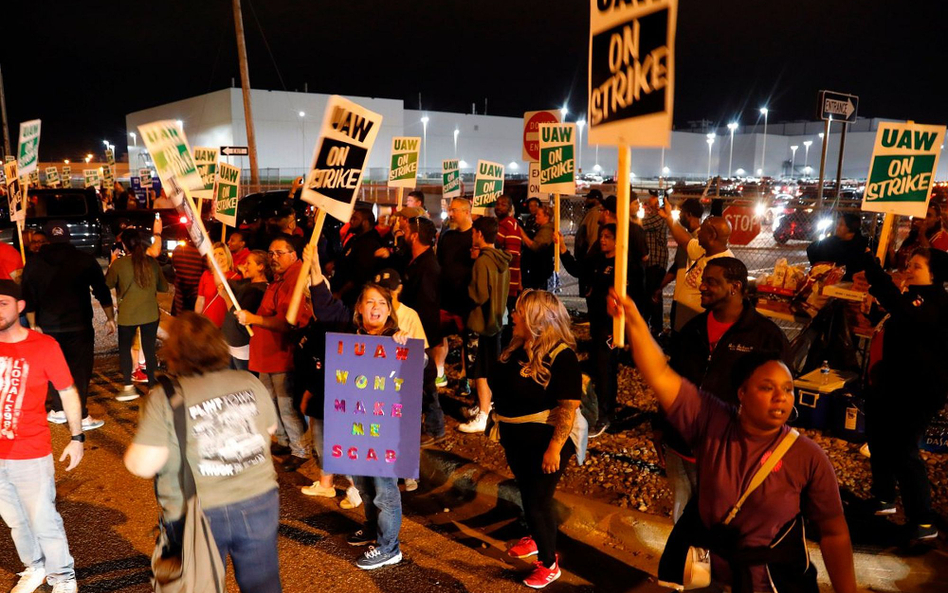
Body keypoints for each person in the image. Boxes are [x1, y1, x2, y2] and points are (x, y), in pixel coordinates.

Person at [608, 288, 857, 593]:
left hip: (772, 583)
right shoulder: (712, 421)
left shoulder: (808, 457)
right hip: (710, 576)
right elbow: (660, 373)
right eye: (767, 388)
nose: (781, 397)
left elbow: (834, 532)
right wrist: (633, 320)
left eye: (788, 388)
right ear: (742, 393)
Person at [124, 312, 282, 592]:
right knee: (263, 586)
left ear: (175, 352)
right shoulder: (248, 381)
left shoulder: (165, 397)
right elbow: (269, 430)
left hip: (197, 513)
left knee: (198, 585)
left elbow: (142, 466)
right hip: (259, 499)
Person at [661, 257, 790, 522]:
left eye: (711, 281)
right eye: (703, 280)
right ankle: (685, 562)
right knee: (682, 519)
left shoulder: (766, 337)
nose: (702, 287)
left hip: (728, 453)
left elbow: (781, 397)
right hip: (680, 444)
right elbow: (672, 378)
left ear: (734, 287)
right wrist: (661, 423)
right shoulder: (691, 330)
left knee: (722, 521)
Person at [308, 271, 410, 570]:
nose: (375, 307)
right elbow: (324, 306)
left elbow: (422, 365)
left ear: (389, 310)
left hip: (384, 431)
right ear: (360, 309)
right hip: (353, 425)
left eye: (382, 303)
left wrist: (406, 346)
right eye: (370, 302)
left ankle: (389, 547)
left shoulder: (396, 339)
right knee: (364, 486)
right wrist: (314, 268)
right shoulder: (351, 339)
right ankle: (372, 528)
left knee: (384, 489)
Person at [492, 290, 583, 589]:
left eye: (519, 311)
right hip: (515, 438)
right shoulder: (517, 346)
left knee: (537, 501)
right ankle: (534, 537)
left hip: (545, 441)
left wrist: (555, 448)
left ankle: (548, 563)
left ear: (536, 318)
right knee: (527, 492)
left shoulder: (563, 356)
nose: (513, 314)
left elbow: (568, 408)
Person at [0, 279, 84, 593]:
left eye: (3, 303)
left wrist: (77, 438)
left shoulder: (44, 346)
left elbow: (68, 392)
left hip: (30, 452)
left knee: (43, 520)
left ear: (20, 307)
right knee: (16, 521)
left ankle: (63, 577)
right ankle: (34, 568)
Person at [861, 247, 948, 540]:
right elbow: (898, 322)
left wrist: (874, 272)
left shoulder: (934, 302)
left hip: (917, 392)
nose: (909, 269)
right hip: (891, 385)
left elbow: (906, 314)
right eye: (909, 264)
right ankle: (883, 497)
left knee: (903, 450)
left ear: (933, 274)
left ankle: (923, 520)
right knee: (879, 439)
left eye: (917, 267)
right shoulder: (912, 298)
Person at [22, 220, 116, 430]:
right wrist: (110, 317)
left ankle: (58, 409)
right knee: (80, 370)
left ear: (47, 238)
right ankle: (80, 415)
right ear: (68, 237)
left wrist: (33, 324)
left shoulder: (35, 263)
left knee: (53, 368)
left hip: (48, 326)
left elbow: (28, 297)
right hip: (79, 325)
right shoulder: (84, 259)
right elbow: (101, 290)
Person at [237, 236, 312, 472]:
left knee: (286, 403)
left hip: (281, 354)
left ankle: (300, 449)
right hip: (266, 353)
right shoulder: (279, 279)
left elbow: (286, 322)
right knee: (271, 401)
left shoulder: (296, 280)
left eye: (279, 253)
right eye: (271, 253)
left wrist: (254, 319)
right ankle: (284, 440)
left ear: (294, 254)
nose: (273, 258)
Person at [557, 224, 619, 438]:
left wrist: (624, 330)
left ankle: (606, 414)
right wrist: (563, 249)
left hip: (612, 328)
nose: (602, 240)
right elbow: (577, 269)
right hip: (597, 323)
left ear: (619, 241)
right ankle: (599, 408)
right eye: (601, 236)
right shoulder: (598, 260)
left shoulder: (623, 266)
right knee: (599, 367)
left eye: (608, 237)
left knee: (606, 368)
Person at [458, 217, 511, 433]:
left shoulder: (482, 262)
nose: (472, 236)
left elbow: (477, 295)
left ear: (479, 234)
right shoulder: (502, 260)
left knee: (480, 370)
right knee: (489, 366)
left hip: (479, 324)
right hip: (496, 322)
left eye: (473, 233)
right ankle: (485, 407)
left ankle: (483, 414)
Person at [106, 229, 169, 400]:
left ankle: (128, 387)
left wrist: (112, 262)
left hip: (127, 315)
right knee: (149, 350)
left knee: (125, 349)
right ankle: (153, 387)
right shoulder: (152, 263)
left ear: (125, 245)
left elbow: (108, 284)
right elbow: (164, 287)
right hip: (150, 314)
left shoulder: (119, 264)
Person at [401, 217, 445, 444]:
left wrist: (421, 343)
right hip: (416, 335)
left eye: (406, 229)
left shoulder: (427, 267)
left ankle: (435, 429)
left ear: (415, 235)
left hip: (421, 338)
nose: (402, 232)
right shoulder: (418, 261)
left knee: (426, 385)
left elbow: (427, 307)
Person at [660, 206, 733, 332]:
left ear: (712, 236)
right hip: (685, 324)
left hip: (697, 331)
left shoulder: (723, 265)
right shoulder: (704, 250)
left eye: (702, 230)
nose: (698, 233)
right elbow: (685, 241)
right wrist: (669, 218)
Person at [434, 198, 474, 388]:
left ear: (467, 212)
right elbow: (439, 263)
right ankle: (440, 373)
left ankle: (465, 378)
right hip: (446, 299)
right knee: (439, 337)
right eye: (450, 210)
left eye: (454, 210)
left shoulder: (476, 237)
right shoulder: (447, 236)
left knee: (467, 341)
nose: (450, 214)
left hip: (466, 301)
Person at [659, 198, 704, 332]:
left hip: (692, 302)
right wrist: (660, 286)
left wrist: (668, 218)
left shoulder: (700, 239)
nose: (679, 216)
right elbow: (676, 267)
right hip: (679, 299)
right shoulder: (685, 236)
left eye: (681, 213)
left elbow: (687, 243)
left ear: (688, 214)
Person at [222, 250, 269, 370]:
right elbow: (228, 283)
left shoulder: (259, 290)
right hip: (232, 345)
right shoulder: (249, 284)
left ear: (260, 267)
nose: (245, 266)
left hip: (242, 348)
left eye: (248, 263)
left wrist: (225, 296)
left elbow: (238, 314)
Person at [332, 207, 382, 307]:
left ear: (365, 223)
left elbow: (359, 276)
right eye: (351, 218)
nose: (351, 221)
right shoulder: (355, 239)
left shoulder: (370, 243)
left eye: (355, 219)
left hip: (351, 298)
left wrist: (340, 293)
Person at [806, 212, 868, 280]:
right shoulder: (832, 241)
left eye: (841, 224)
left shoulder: (861, 245)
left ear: (850, 227)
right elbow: (811, 249)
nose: (837, 227)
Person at [640, 195, 669, 334]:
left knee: (654, 297)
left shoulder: (659, 217)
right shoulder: (656, 216)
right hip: (652, 264)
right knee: (650, 296)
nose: (649, 203)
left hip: (656, 264)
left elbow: (643, 224)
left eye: (652, 201)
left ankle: (656, 329)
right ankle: (653, 328)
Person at [194, 242, 241, 328]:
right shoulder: (206, 275)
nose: (218, 257)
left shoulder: (236, 278)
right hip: (206, 324)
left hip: (225, 327)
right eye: (214, 254)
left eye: (221, 254)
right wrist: (196, 319)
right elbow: (200, 300)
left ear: (227, 256)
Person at [495, 195, 523, 320]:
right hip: (508, 281)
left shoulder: (509, 224)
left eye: (503, 205)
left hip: (506, 282)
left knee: (505, 321)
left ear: (510, 208)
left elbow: (511, 255)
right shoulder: (503, 224)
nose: (499, 207)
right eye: (497, 204)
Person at [520, 204, 555, 290]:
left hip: (540, 270)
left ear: (546, 217)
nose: (536, 216)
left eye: (539, 215)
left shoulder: (547, 231)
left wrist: (523, 235)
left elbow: (535, 247)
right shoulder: (541, 228)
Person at [170, 239, 203, 316]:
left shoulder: (177, 249)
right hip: (195, 294)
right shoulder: (201, 253)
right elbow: (204, 271)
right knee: (192, 319)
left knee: (178, 318)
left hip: (179, 292)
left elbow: (174, 266)